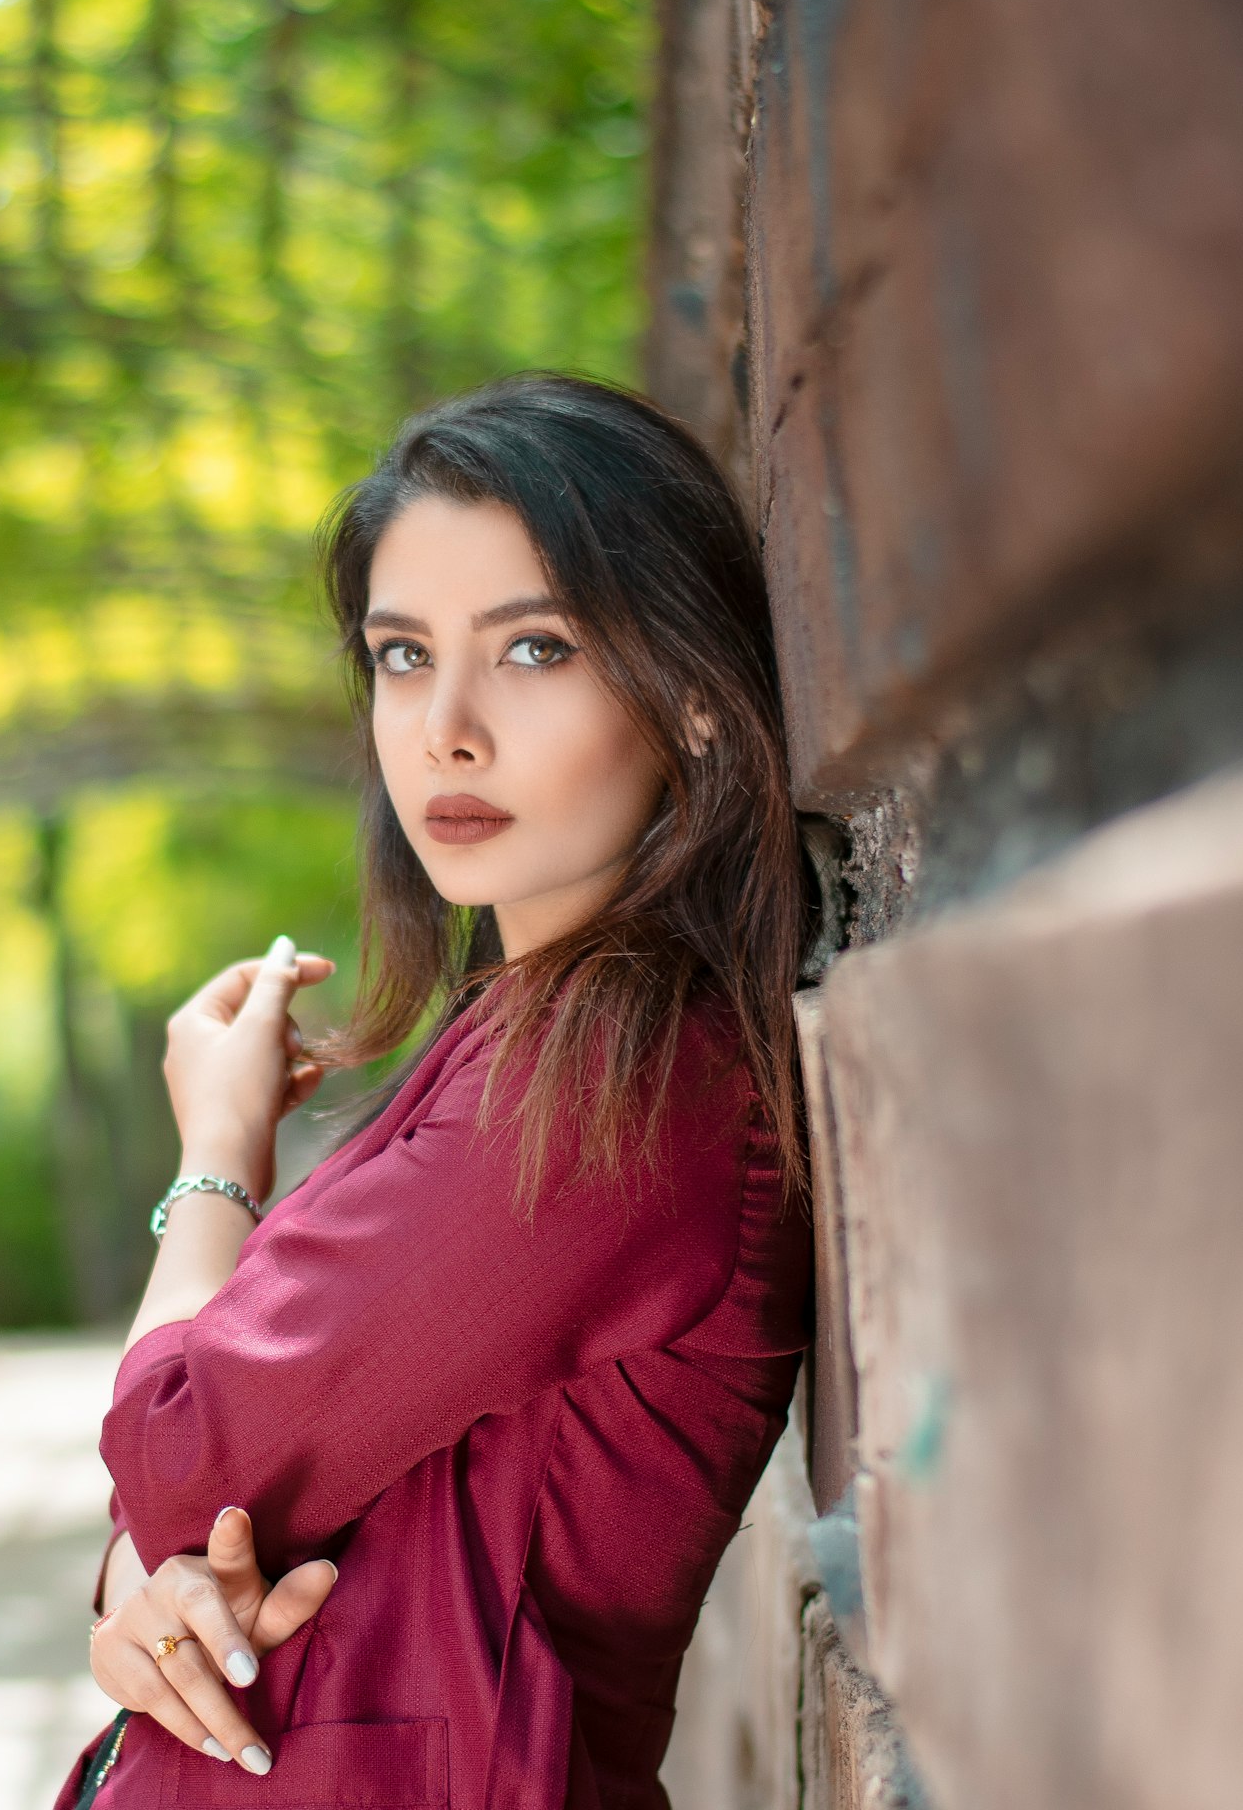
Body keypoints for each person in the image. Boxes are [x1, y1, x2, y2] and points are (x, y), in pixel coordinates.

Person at [59, 374, 814, 1810]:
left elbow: (176, 1449)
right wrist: (140, 1589)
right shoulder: (508, 1043)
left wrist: (218, 1151)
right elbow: (196, 1493)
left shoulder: (618, 1091)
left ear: (698, 704)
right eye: (403, 657)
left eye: (534, 649)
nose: (445, 731)